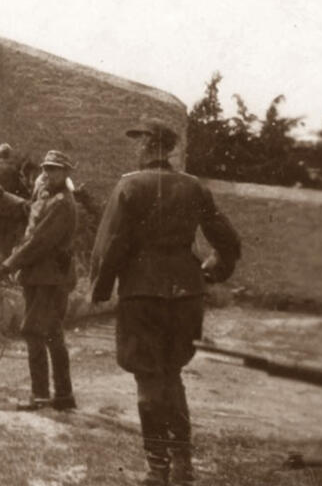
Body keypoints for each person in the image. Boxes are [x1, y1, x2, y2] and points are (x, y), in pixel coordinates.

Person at [91, 118, 241, 486]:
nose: (136, 147)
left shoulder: (130, 185)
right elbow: (229, 241)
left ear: (151, 146)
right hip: (186, 294)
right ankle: (182, 463)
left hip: (142, 294)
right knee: (171, 375)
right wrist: (214, 271)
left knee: (148, 381)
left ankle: (157, 469)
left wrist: (100, 288)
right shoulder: (194, 187)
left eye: (140, 140)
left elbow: (110, 245)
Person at [0, 150, 78, 412]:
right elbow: (32, 214)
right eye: (46, 168)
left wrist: (10, 263)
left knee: (33, 331)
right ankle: (64, 395)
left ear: (66, 173)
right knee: (53, 333)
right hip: (44, 276)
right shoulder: (51, 199)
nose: (48, 173)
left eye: (55, 169)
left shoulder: (62, 203)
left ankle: (40, 395)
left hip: (48, 277)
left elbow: (40, 240)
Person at [0, 143, 28, 265]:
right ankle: (3, 268)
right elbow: (20, 188)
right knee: (6, 239)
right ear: (9, 154)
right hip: (8, 209)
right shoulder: (13, 169)